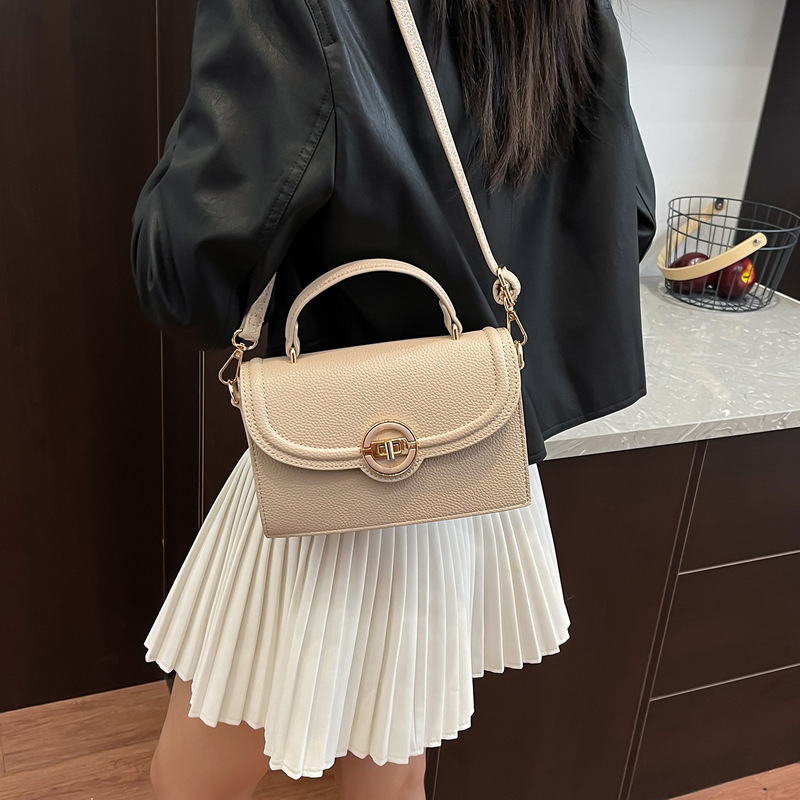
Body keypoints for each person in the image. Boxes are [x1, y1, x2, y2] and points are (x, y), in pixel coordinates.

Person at [130, 0, 656, 797]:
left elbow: (181, 277)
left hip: (333, 459)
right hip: (474, 450)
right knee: (394, 762)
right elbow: (630, 217)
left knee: (193, 779)